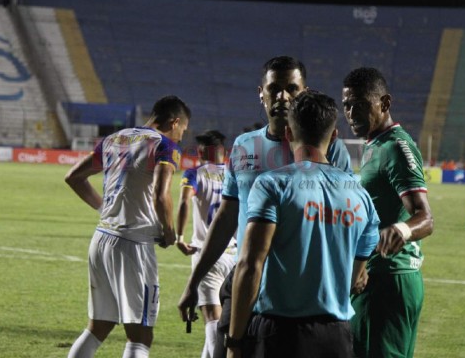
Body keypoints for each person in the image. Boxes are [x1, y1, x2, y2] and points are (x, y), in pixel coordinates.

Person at [177, 55, 353, 358]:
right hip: (245, 280)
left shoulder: (329, 149)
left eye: (292, 88)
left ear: (305, 91)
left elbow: (345, 220)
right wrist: (194, 282)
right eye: (275, 89)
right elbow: (227, 216)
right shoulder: (244, 146)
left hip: (298, 291)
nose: (283, 97)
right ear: (262, 92)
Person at [226, 91, 381, 358]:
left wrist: (234, 342)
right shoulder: (360, 196)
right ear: (333, 137)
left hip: (279, 332)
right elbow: (357, 277)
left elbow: (250, 264)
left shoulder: (272, 184)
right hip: (336, 336)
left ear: (288, 134)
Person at [64, 95, 191, 358]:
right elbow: (160, 192)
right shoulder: (164, 145)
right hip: (133, 244)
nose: (181, 136)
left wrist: (103, 209)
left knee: (98, 326)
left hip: (101, 239)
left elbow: (74, 177)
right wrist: (169, 232)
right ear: (175, 121)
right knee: (141, 335)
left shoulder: (114, 139)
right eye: (182, 130)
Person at [342, 67, 434, 358]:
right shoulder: (376, 145)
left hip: (388, 279)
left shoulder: (396, 146)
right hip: (376, 277)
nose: (352, 112)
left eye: (360, 104)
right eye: (347, 105)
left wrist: (402, 230)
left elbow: (425, 217)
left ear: (384, 103)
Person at [176, 130, 236, 357]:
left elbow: (184, 201)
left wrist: (180, 237)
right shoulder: (236, 175)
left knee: (212, 318)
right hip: (235, 253)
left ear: (202, 152)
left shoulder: (194, 173)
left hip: (207, 254)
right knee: (227, 318)